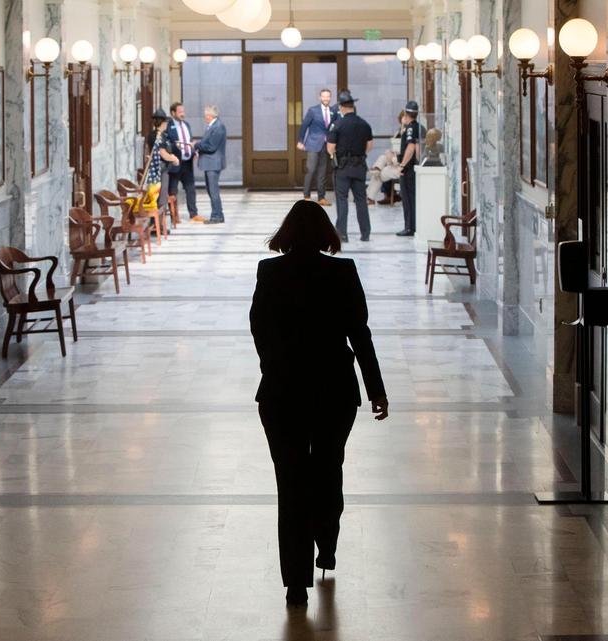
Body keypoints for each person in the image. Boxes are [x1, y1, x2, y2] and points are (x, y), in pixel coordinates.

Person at [249, 200, 389, 606]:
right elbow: (359, 334)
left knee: (291, 483)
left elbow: (259, 328)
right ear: (326, 233)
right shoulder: (342, 272)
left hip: (282, 392)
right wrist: (376, 389)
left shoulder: (270, 271)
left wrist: (275, 366)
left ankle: (296, 582)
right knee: (328, 471)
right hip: (334, 390)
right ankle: (326, 545)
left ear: (287, 234)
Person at [325, 89, 374, 243]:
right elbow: (369, 145)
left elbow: (330, 148)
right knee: (361, 200)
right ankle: (365, 233)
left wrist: (337, 155)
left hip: (343, 168)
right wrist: (359, 155)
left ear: (341, 108)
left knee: (342, 199)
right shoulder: (364, 124)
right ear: (353, 106)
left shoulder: (337, 125)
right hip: (359, 166)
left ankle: (342, 234)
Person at [297, 89, 338, 206]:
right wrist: (300, 141)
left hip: (326, 145)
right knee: (311, 170)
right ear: (320, 97)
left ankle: (321, 197)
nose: (326, 99)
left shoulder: (333, 111)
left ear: (330, 98)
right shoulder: (313, 110)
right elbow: (304, 126)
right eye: (324, 96)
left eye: (328, 97)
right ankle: (306, 196)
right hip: (313, 144)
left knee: (322, 172)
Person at [166, 102, 201, 221]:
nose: (183, 114)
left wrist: (194, 152)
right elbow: (166, 144)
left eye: (183, 111)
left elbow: (189, 141)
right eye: (180, 112)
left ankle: (194, 214)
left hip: (187, 162)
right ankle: (174, 216)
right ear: (173, 113)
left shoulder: (186, 125)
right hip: (175, 163)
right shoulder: (168, 126)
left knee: (191, 189)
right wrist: (174, 146)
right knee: (173, 190)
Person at [195, 105, 227, 224]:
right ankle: (218, 214)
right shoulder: (213, 126)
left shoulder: (218, 127)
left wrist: (196, 145)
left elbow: (211, 146)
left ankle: (216, 216)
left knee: (213, 191)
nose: (205, 117)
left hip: (213, 164)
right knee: (210, 190)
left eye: (206, 115)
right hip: (209, 163)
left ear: (209, 115)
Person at [144, 108, 179, 209]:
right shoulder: (156, 135)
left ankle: (158, 216)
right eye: (166, 122)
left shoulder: (162, 135)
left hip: (163, 168)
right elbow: (162, 153)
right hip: (160, 169)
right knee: (160, 196)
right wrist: (174, 159)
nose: (167, 124)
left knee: (160, 194)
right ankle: (158, 217)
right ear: (163, 122)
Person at [396, 102, 422, 236]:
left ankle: (409, 227)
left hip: (408, 169)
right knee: (411, 198)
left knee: (408, 199)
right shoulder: (417, 127)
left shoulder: (411, 128)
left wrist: (402, 165)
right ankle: (411, 226)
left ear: (406, 114)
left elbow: (411, 148)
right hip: (413, 167)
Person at [366, 139, 401, 204]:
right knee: (383, 157)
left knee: (379, 174)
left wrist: (394, 159)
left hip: (402, 168)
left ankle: (370, 198)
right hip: (396, 163)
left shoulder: (411, 141)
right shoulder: (403, 138)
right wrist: (391, 154)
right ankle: (377, 168)